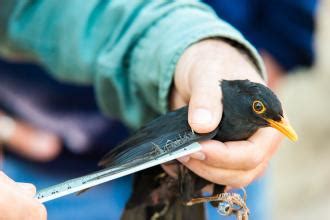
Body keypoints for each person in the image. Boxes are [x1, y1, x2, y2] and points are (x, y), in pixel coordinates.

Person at [0, 1, 315, 219]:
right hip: (41, 162)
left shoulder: (239, 115)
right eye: (260, 108)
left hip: (229, 180)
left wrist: (205, 49)